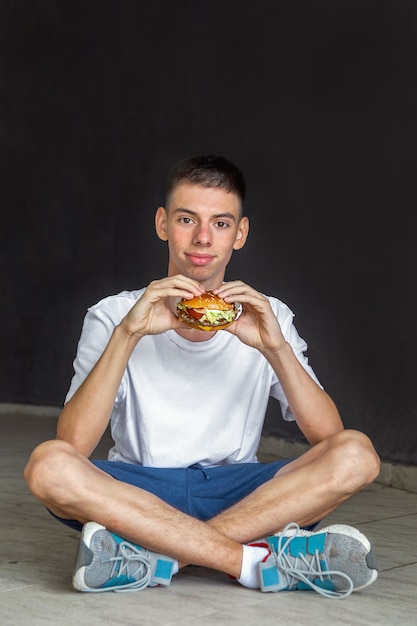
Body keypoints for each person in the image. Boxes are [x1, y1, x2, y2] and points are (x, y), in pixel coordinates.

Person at [24, 154, 380, 599]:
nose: (203, 238)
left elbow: (330, 438)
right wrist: (129, 334)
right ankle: (254, 561)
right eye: (187, 219)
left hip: (240, 493)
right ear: (162, 224)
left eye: (222, 223)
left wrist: (275, 349)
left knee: (358, 454)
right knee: (48, 465)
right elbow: (72, 444)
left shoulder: (270, 316)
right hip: (140, 490)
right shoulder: (114, 314)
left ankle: (152, 558)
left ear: (241, 234)